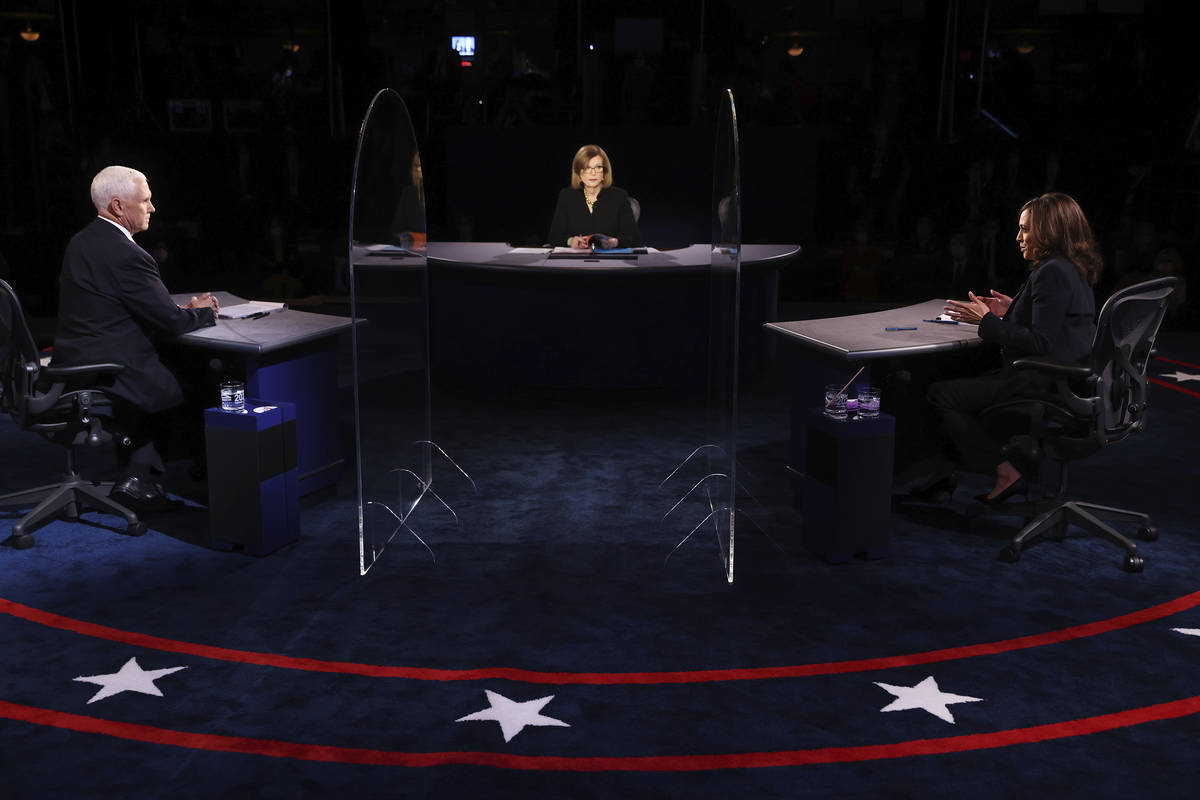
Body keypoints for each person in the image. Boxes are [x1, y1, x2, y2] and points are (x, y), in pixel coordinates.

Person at [53, 165, 219, 510]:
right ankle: (142, 481)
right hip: (111, 365)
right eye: (145, 200)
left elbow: (116, 306)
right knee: (194, 378)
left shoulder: (80, 241)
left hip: (75, 360)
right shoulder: (129, 254)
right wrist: (204, 312)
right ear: (117, 206)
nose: (152, 208)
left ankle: (139, 471)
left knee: (172, 366)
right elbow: (172, 324)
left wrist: (178, 311)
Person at [928, 192, 1100, 504]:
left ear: (1049, 231)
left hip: (1041, 380)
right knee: (964, 378)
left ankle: (1006, 473)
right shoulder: (1071, 267)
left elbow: (1041, 342)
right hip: (1062, 377)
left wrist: (986, 321)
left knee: (942, 394)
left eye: (1026, 229)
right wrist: (1013, 309)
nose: (1018, 237)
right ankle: (944, 472)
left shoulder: (1052, 271)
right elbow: (1058, 324)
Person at [547, 144, 642, 250]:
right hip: (575, 261)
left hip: (610, 262)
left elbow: (635, 239)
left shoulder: (619, 196)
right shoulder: (567, 196)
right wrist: (570, 241)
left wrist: (615, 242)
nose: (593, 173)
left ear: (604, 172)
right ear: (579, 173)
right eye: (587, 168)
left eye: (598, 167)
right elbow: (554, 236)